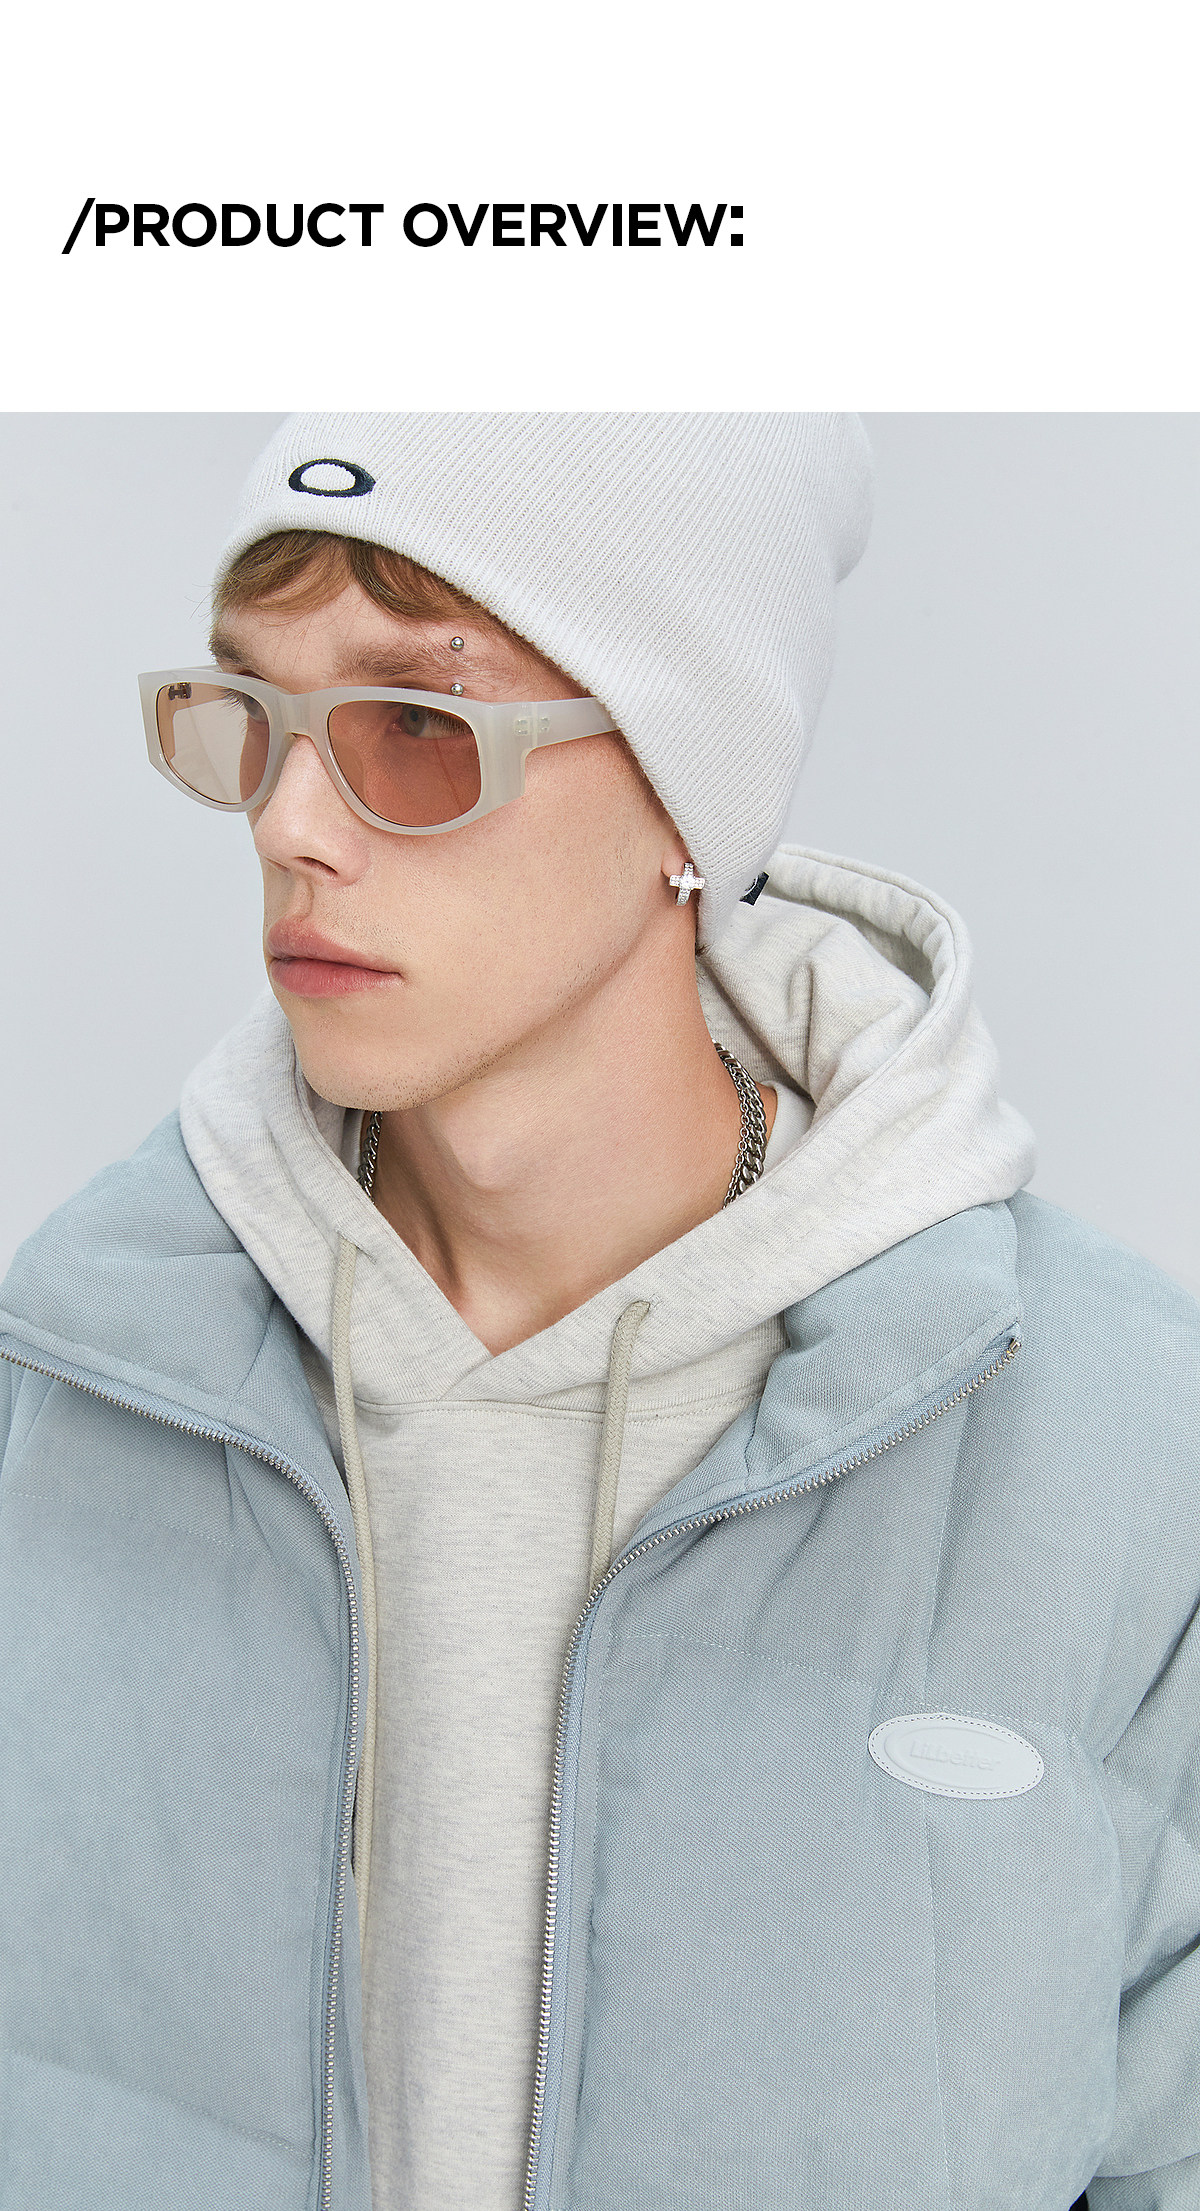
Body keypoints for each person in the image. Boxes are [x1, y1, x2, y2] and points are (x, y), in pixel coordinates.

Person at [0, 412, 1195, 2211]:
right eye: (252, 713)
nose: (291, 827)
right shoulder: (61, 1399)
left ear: (684, 795)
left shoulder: (1120, 1455)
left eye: (418, 726)